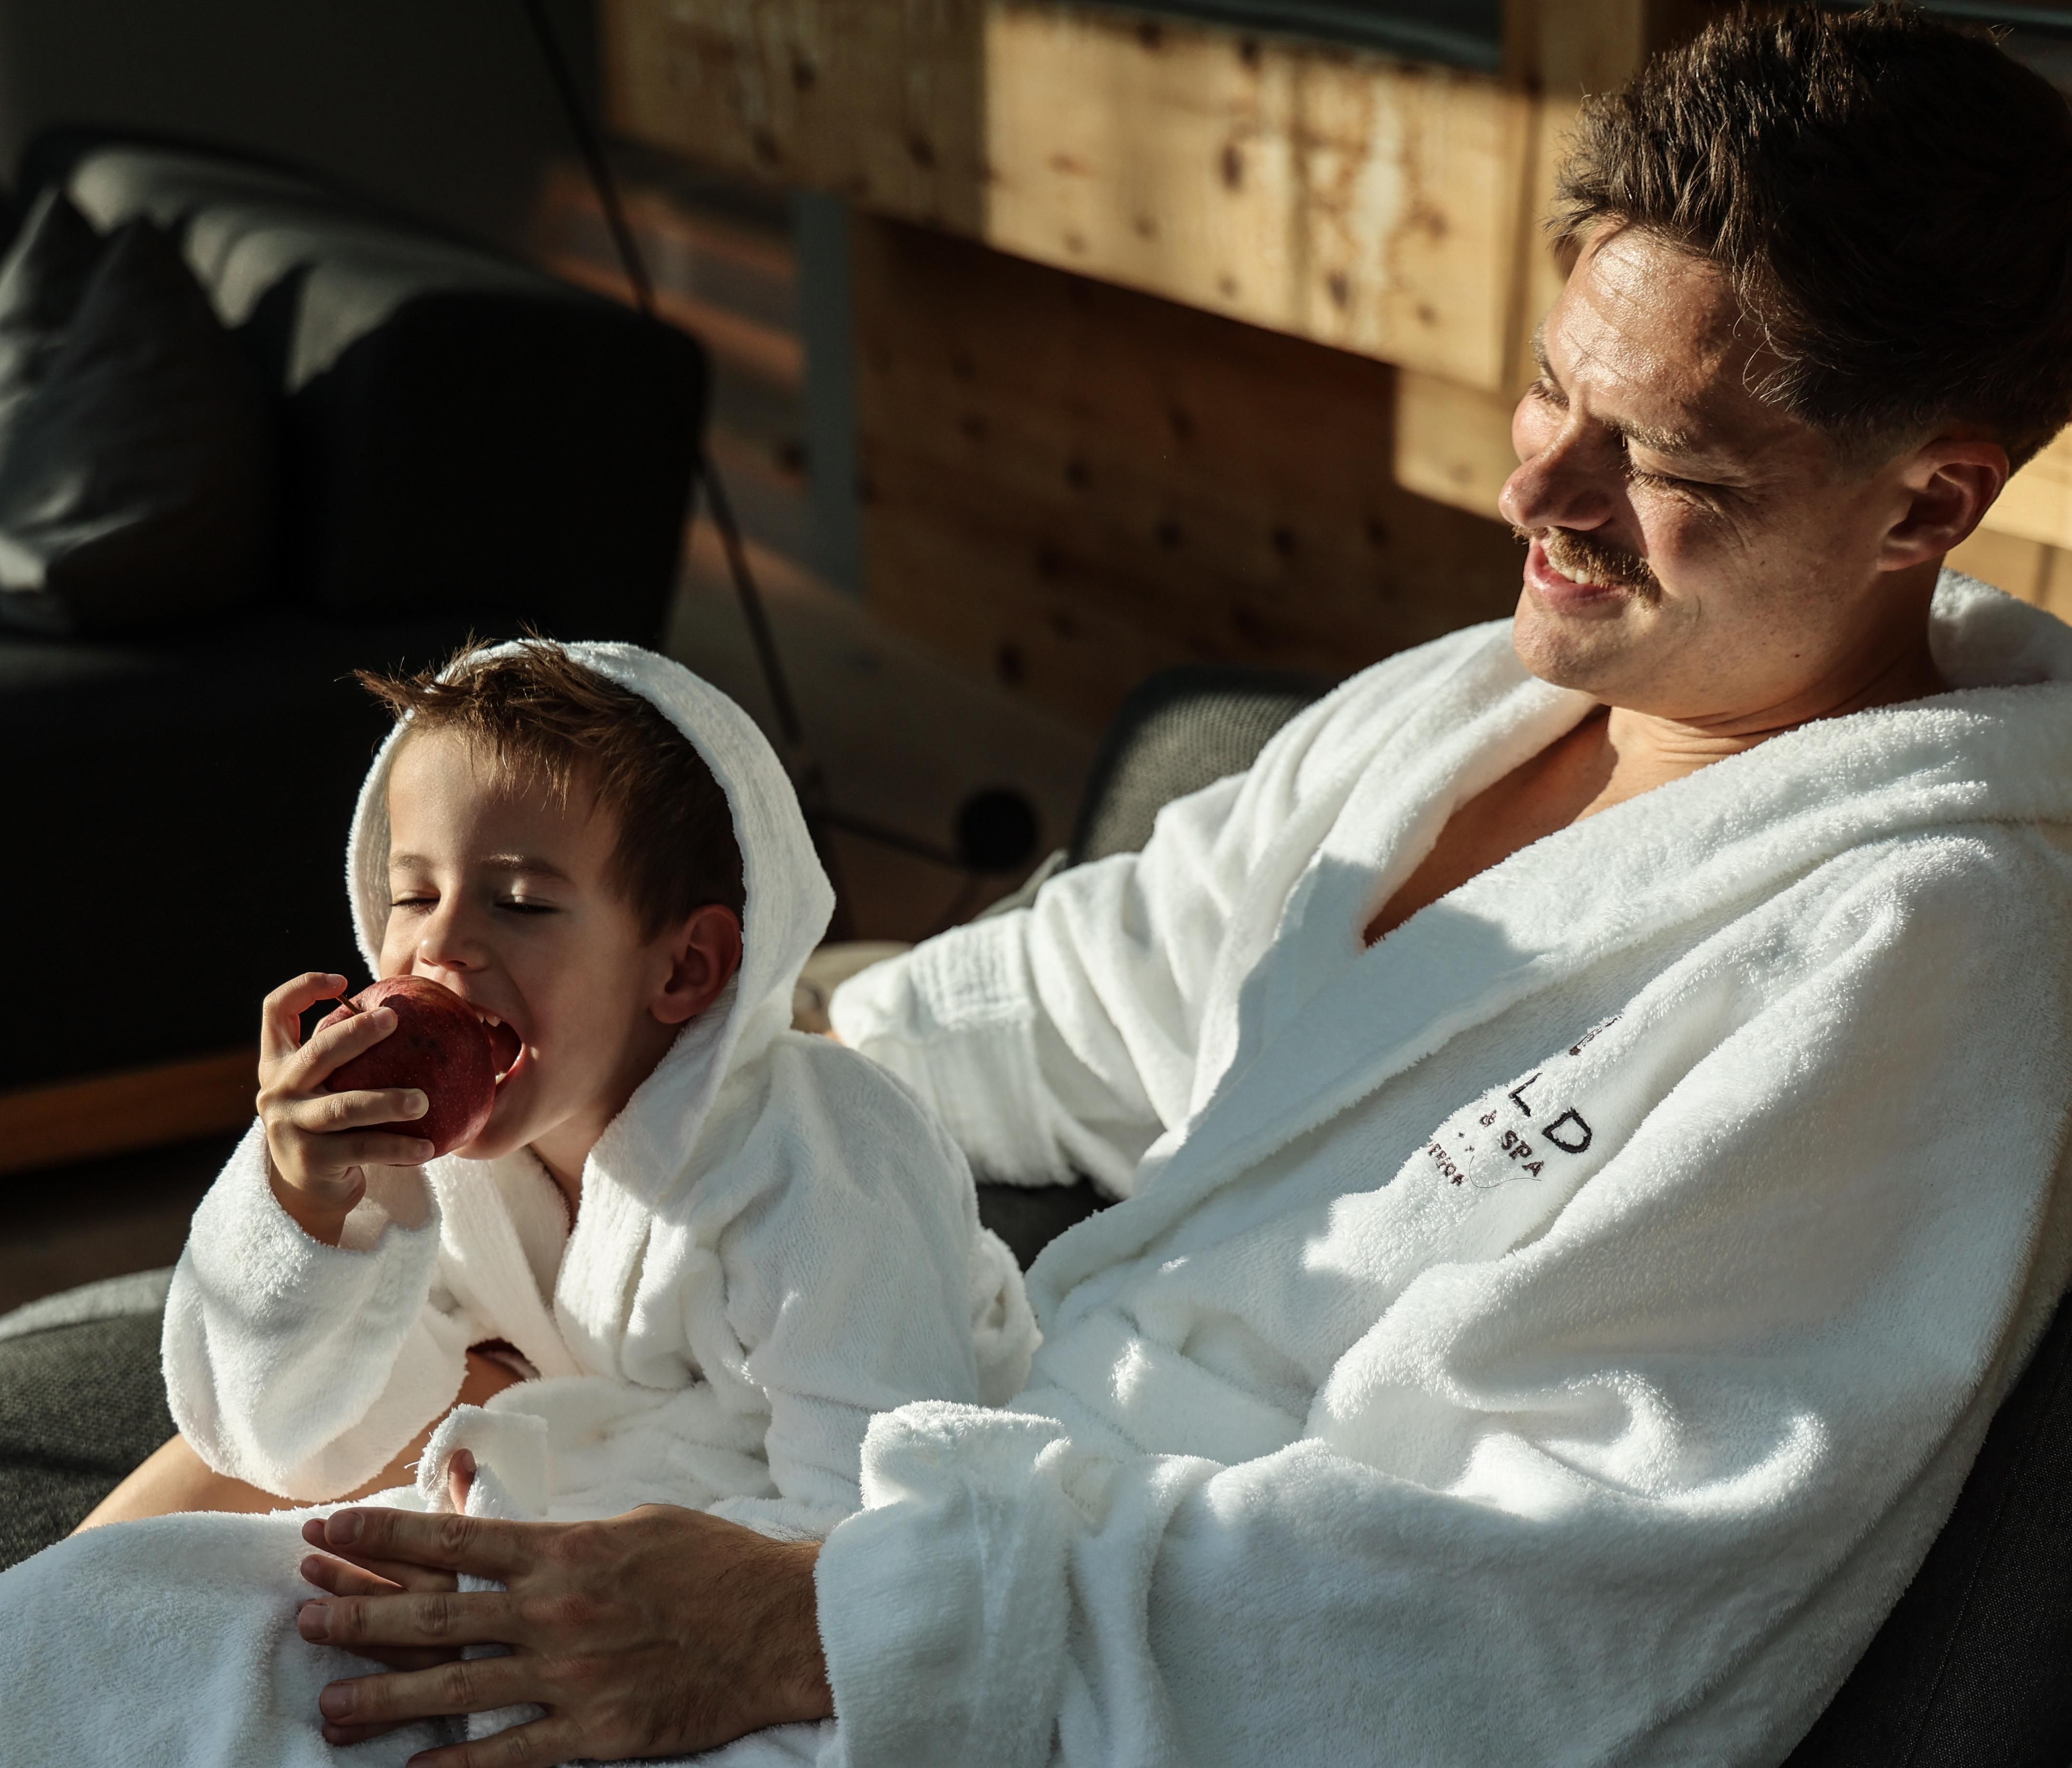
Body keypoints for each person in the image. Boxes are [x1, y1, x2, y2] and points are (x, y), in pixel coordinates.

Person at [260, 9, 2072, 1765]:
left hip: (1077, 1677)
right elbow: (1071, 997)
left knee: (215, 1672)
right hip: (928, 1500)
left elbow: (1554, 1578)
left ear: (1927, 504)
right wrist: (629, 1114)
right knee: (194, 1584)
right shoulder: (1472, 707)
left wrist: (815, 1626)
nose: (1538, 485)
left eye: (1659, 460)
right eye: (1547, 385)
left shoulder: (1920, 953)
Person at [0, 638, 1034, 1764]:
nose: (442, 950)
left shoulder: (821, 1161)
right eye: (412, 896)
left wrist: (550, 1541)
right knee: (222, 1471)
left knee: (299, 1560)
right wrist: (306, 1210)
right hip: (566, 1362)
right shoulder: (465, 1153)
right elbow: (282, 1430)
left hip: (734, 1439)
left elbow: (863, 1519)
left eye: (523, 902)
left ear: (684, 972)